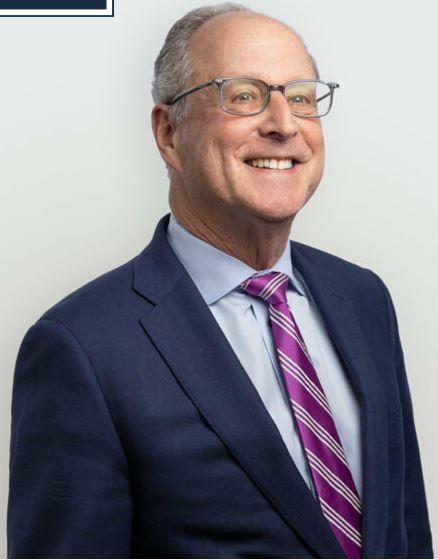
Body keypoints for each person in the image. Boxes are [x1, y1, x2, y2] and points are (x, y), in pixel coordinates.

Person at [7, 3, 433, 558]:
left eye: (301, 97)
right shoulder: (82, 348)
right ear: (169, 133)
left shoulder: (363, 298)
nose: (283, 123)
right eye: (244, 95)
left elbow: (406, 533)